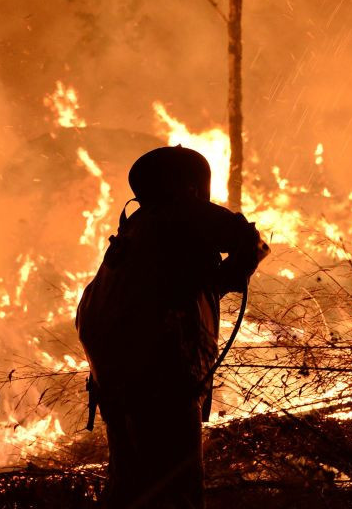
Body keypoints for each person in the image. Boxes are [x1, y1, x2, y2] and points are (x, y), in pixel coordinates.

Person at [76, 146, 269, 509]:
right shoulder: (181, 210)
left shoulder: (134, 230)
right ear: (192, 186)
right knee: (178, 487)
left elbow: (171, 284)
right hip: (161, 373)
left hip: (111, 378)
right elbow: (245, 239)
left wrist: (213, 280)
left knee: (129, 485)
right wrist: (237, 267)